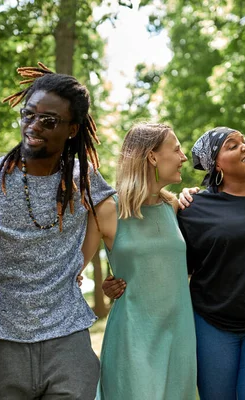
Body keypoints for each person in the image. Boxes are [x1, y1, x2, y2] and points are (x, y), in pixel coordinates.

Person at [106, 126, 245, 399]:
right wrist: (118, 279)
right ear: (216, 164)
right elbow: (165, 260)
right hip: (212, 326)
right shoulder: (191, 208)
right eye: (232, 145)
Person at [0, 62, 115, 400]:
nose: (33, 126)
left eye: (48, 120)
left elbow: (110, 219)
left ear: (72, 129)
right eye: (28, 115)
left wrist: (78, 266)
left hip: (68, 339)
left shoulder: (85, 178)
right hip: (4, 339)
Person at [81, 123, 197, 400]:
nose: (183, 157)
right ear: (152, 157)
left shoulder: (175, 207)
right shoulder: (106, 210)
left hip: (179, 335)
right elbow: (70, 272)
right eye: (177, 149)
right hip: (133, 337)